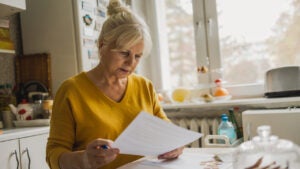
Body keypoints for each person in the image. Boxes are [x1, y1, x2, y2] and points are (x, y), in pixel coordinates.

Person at [46, 0, 184, 168]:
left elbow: (166, 131)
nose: (131, 62)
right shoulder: (71, 91)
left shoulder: (144, 87)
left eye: (138, 56)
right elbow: (54, 154)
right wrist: (84, 159)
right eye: (124, 53)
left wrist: (176, 145)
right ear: (102, 45)